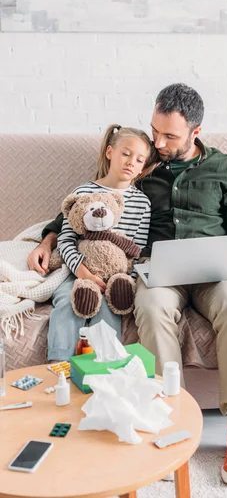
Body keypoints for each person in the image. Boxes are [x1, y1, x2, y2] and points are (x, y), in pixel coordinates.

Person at [28, 84, 227, 486]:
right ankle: (169, 422)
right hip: (158, 269)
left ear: (196, 131)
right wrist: (49, 238)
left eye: (169, 136)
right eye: (155, 131)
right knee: (149, 309)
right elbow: (88, 202)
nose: (158, 142)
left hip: (213, 270)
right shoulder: (146, 167)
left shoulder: (225, 169)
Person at [36, 124, 157, 363]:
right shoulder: (84, 191)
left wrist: (125, 282)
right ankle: (58, 364)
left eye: (140, 159)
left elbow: (137, 252)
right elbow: (67, 239)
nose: (132, 162)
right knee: (67, 300)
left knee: (109, 308)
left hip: (116, 276)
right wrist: (82, 272)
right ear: (110, 152)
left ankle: (104, 365)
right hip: (78, 270)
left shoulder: (142, 203)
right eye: (126, 153)